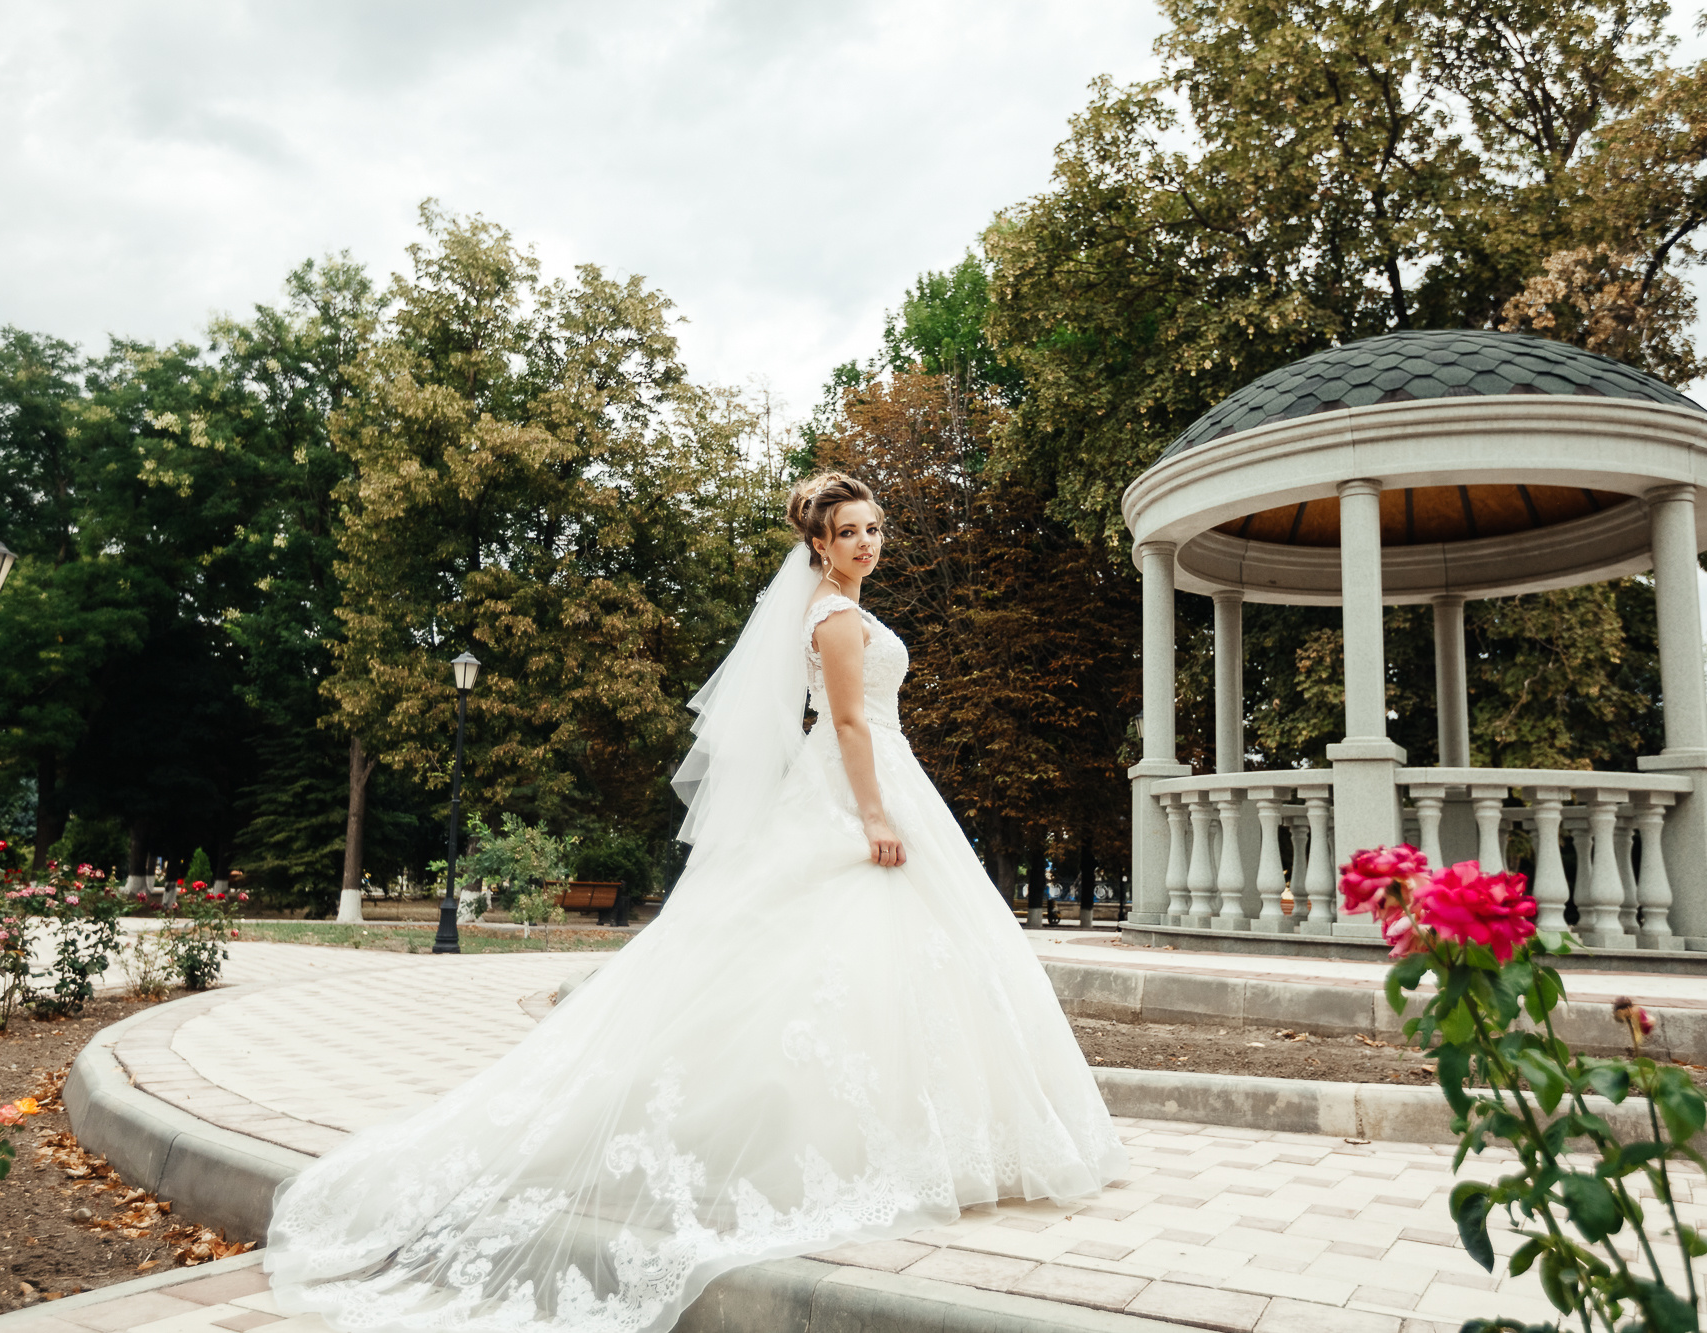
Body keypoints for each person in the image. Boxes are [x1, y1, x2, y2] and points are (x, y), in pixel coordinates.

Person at [263, 472, 1128, 1332]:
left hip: (886, 780)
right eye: (851, 531)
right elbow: (850, 724)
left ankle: (939, 1143)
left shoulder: (844, 610)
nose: (868, 541)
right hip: (859, 788)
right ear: (819, 545)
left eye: (875, 527)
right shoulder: (830, 616)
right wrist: (873, 816)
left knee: (895, 960)